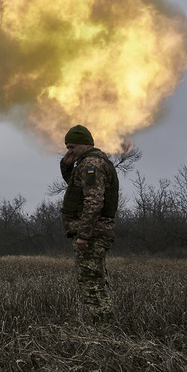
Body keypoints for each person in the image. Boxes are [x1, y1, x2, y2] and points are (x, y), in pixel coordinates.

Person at [60, 124, 119, 324]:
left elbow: (93, 201)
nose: (69, 150)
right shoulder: (91, 162)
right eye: (67, 147)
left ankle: (106, 332)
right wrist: (66, 166)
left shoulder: (91, 164)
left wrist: (84, 235)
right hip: (97, 232)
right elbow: (77, 188)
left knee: (91, 283)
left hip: (93, 235)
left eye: (72, 146)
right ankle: (106, 327)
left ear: (86, 144)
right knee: (96, 281)